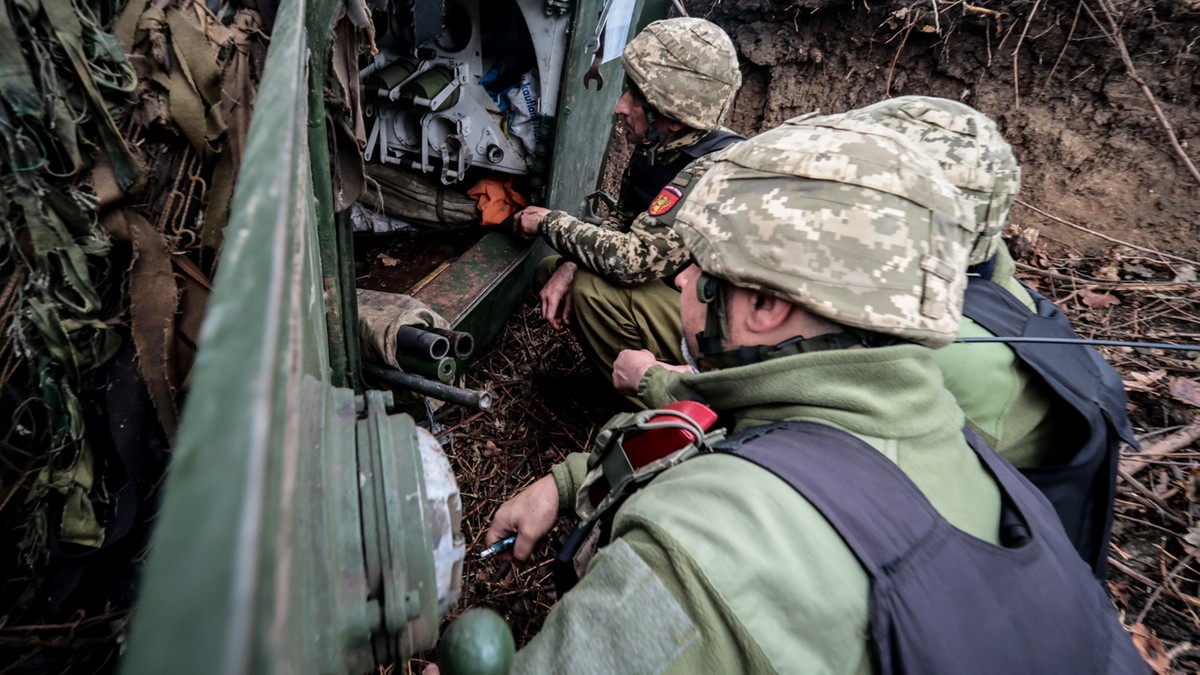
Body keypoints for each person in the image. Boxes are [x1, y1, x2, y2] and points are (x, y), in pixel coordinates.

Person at [485, 120, 1145, 672]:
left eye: (700, 264)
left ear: (766, 304)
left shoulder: (705, 546)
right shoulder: (970, 456)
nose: (682, 277)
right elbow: (730, 433)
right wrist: (573, 482)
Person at [618, 97, 1137, 576]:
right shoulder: (981, 279)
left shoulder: (937, 343)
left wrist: (659, 385)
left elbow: (781, 422)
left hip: (913, 554)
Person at [511, 17, 743, 403]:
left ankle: (661, 409)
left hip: (729, 338)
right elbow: (625, 220)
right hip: (683, 299)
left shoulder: (709, 174)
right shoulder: (662, 146)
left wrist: (549, 222)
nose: (620, 106)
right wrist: (572, 262)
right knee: (552, 272)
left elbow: (632, 260)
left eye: (635, 98)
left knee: (591, 291)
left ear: (668, 116)